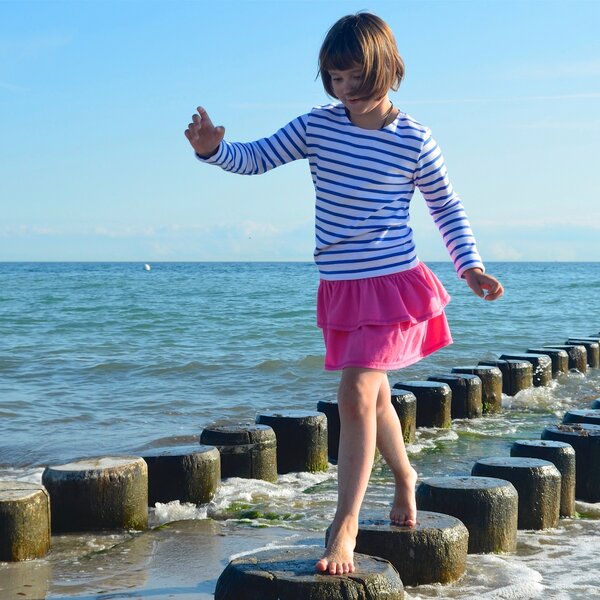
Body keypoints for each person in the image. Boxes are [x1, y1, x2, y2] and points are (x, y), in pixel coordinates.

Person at [185, 11, 503, 576]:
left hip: (394, 287)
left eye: (356, 77)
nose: (346, 90)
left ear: (388, 68)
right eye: (335, 78)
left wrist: (469, 267)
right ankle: (406, 477)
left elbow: (446, 207)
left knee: (356, 393)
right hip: (341, 286)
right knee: (372, 396)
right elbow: (257, 157)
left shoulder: (415, 139)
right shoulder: (318, 126)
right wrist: (213, 150)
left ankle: (345, 525)